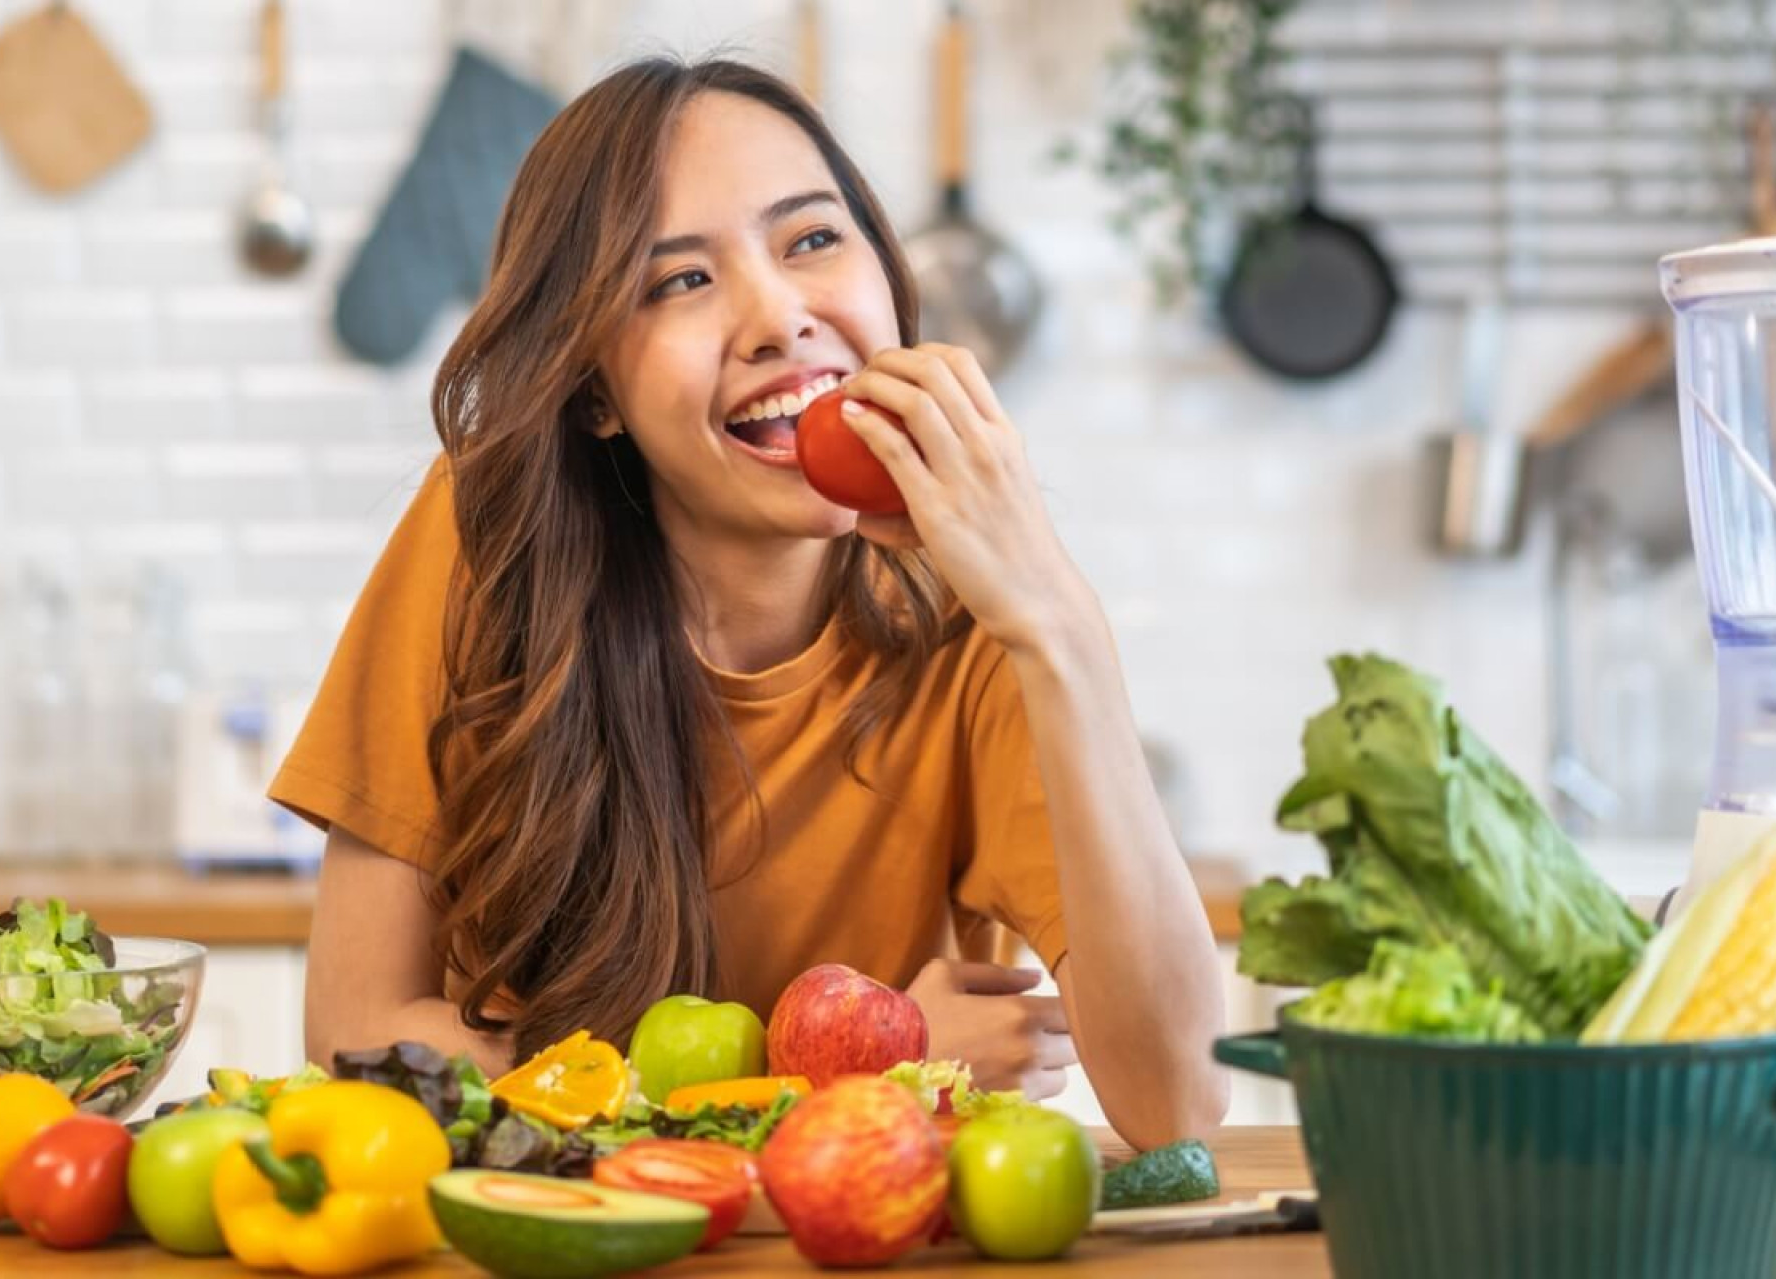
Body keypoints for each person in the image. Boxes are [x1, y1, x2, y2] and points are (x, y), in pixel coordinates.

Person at [270, 57, 1226, 1149]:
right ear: (594, 395)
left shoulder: (981, 613)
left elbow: (1176, 1101)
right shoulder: (487, 541)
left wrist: (1059, 620)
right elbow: (358, 1039)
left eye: (812, 239)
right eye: (679, 281)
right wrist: (857, 1062)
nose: (779, 316)